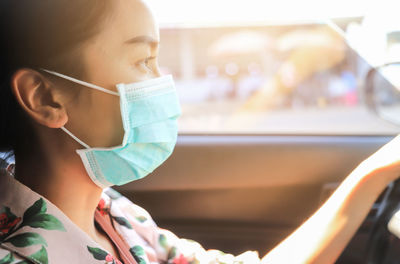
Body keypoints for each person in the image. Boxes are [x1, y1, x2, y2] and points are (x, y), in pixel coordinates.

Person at [1, 1, 400, 263]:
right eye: (143, 61)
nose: (163, 83)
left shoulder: (113, 213)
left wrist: (373, 173)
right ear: (44, 98)